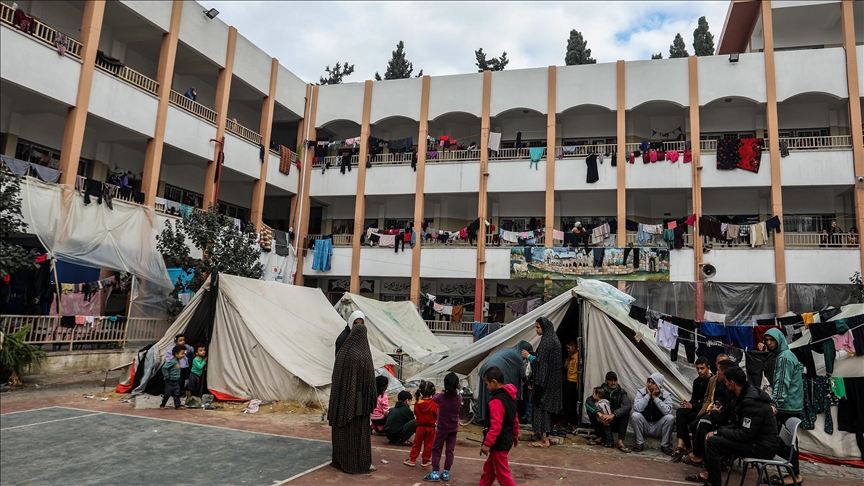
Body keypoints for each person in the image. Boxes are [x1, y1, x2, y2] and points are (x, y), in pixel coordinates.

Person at [684, 366, 779, 486]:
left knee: (713, 442)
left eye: (726, 382)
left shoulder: (750, 401)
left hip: (762, 446)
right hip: (754, 440)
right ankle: (712, 479)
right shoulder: (741, 396)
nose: (725, 385)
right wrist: (718, 431)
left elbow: (745, 434)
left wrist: (719, 432)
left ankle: (713, 482)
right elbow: (737, 424)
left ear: (732, 383)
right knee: (710, 437)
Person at [328, 310, 377, 474]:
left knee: (346, 424)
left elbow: (338, 373)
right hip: (359, 397)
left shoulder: (347, 352)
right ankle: (358, 459)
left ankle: (343, 459)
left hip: (344, 395)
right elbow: (370, 377)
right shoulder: (362, 352)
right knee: (358, 424)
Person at [764, 328, 804, 485]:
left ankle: (795, 474)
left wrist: (774, 403)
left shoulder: (784, 358)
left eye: (771, 340)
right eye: (766, 340)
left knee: (781, 441)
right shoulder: (787, 355)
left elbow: (782, 384)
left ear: (779, 339)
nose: (768, 343)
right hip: (792, 405)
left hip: (787, 406)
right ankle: (795, 474)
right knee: (789, 442)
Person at [682, 358, 737, 467]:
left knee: (702, 423)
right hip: (717, 414)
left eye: (719, 370)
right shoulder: (713, 382)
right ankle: (702, 457)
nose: (716, 373)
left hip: (728, 423)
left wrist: (714, 411)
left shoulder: (731, 389)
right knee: (695, 422)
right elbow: (708, 399)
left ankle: (701, 457)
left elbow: (725, 414)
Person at [522, 317, 562, 448]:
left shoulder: (547, 342)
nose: (536, 330)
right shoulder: (553, 339)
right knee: (546, 408)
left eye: (538, 327)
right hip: (552, 381)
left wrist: (529, 356)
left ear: (544, 327)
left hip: (544, 382)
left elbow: (541, 363)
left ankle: (544, 439)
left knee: (541, 407)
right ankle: (544, 435)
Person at [479, 366, 519, 486]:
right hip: (505, 440)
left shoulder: (496, 401)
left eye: (487, 384)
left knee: (503, 476)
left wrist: (487, 444)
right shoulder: (510, 397)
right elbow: (515, 419)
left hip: (499, 443)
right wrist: (515, 435)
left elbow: (496, 426)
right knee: (489, 471)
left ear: (494, 382)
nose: (486, 387)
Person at [478, 341, 533, 422]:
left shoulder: (511, 350)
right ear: (524, 350)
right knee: (494, 397)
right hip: (492, 372)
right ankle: (493, 418)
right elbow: (522, 374)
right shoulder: (517, 356)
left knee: (486, 395)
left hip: (486, 367)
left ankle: (485, 417)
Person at [671, 356, 712, 461]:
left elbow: (708, 402)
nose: (700, 371)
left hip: (705, 411)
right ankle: (682, 444)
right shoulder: (697, 381)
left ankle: (689, 447)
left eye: (702, 368)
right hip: (696, 408)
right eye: (698, 368)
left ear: (708, 368)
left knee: (689, 419)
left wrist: (692, 406)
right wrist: (687, 404)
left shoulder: (712, 381)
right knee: (680, 412)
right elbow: (694, 399)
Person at [424, 372, 462, 482]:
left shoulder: (440, 397)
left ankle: (435, 472)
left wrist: (443, 392)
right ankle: (446, 472)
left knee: (436, 449)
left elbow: (434, 397)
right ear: (456, 385)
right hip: (453, 428)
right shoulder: (459, 398)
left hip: (442, 428)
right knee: (450, 450)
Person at [586, 371, 632, 452]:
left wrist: (613, 415)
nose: (613, 382)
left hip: (615, 420)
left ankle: (620, 441)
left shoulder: (621, 392)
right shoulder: (601, 391)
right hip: (602, 420)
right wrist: (599, 414)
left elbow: (627, 405)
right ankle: (600, 437)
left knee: (625, 413)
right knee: (590, 410)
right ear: (606, 381)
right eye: (610, 380)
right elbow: (588, 401)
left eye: (615, 380)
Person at [631, 373, 675, 454]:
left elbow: (667, 411)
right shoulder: (641, 392)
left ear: (658, 385)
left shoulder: (665, 395)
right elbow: (637, 408)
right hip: (645, 426)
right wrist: (648, 395)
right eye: (649, 382)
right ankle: (639, 443)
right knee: (635, 415)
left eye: (653, 383)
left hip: (658, 427)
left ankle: (665, 445)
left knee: (670, 418)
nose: (650, 384)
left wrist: (655, 397)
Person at [406, 381, 438, 467]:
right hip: (431, 428)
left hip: (419, 427)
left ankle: (412, 459)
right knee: (428, 445)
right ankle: (425, 461)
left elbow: (416, 413)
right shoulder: (434, 403)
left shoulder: (418, 403)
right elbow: (437, 415)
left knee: (417, 444)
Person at [165, 334, 193, 399]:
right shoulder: (172, 349)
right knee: (177, 380)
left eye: (183, 340)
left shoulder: (185, 347)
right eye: (180, 340)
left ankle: (180, 391)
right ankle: (175, 392)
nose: (183, 342)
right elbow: (168, 358)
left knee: (182, 379)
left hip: (184, 367)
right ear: (176, 342)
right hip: (176, 367)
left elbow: (191, 349)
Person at [160, 346, 186, 410]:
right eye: (182, 353)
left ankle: (178, 406)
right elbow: (164, 368)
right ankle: (162, 405)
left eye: (184, 353)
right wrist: (166, 375)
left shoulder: (177, 361)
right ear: (176, 354)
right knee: (167, 394)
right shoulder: (173, 361)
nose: (183, 355)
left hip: (176, 381)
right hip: (170, 381)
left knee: (176, 394)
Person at [562, 341, 579, 429]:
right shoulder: (570, 357)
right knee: (566, 402)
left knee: (572, 403)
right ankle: (567, 420)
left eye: (569, 348)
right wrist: (568, 359)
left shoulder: (578, 356)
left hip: (575, 381)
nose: (568, 350)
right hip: (568, 380)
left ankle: (573, 422)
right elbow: (566, 367)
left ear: (574, 346)